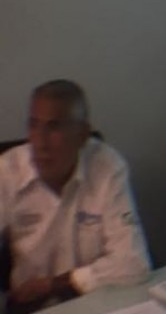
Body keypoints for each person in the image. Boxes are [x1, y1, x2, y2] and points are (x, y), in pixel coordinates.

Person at [0, 80, 150, 312]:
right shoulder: (7, 171)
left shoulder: (107, 167)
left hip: (96, 302)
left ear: (82, 135)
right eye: (34, 124)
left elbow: (133, 263)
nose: (40, 142)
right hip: (30, 308)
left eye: (54, 127)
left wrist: (55, 285)